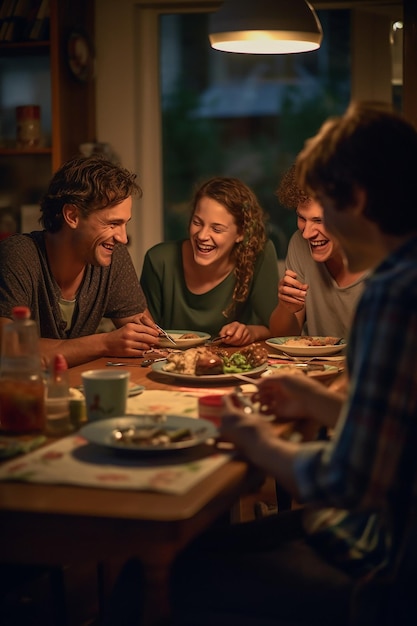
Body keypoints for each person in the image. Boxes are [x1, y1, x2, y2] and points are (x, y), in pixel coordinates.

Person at [168, 102, 417, 625]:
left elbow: (349, 481)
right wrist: (314, 400)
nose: (311, 227)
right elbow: (396, 432)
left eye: (326, 202)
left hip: (384, 565)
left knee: (177, 567)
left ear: (358, 198)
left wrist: (255, 439)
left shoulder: (394, 295)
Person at [0, 155, 161, 368]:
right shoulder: (19, 255)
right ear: (72, 216)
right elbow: (9, 350)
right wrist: (104, 343)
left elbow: (143, 337)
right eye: (113, 223)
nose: (123, 237)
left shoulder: (113, 256)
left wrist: (144, 338)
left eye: (125, 224)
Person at [140, 176, 279, 345]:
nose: (202, 236)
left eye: (217, 229)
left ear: (241, 233)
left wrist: (249, 332)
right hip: (170, 364)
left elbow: (275, 329)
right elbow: (144, 333)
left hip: (232, 366)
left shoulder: (259, 254)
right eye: (197, 222)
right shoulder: (159, 261)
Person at [269, 164, 367, 339]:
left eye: (319, 220)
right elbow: (282, 338)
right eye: (301, 218)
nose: (307, 233)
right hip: (311, 366)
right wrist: (285, 307)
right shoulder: (299, 244)